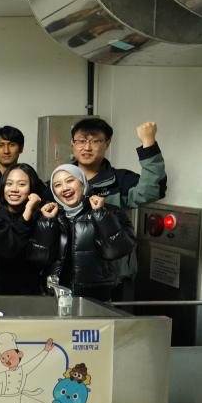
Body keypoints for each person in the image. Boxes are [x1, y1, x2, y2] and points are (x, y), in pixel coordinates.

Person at [69, 118, 166, 299]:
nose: (87, 147)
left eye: (95, 141)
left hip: (114, 277)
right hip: (69, 276)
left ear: (107, 143)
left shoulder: (120, 180)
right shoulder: (59, 181)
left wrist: (149, 144)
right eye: (81, 141)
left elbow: (152, 191)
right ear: (72, 144)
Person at [30, 164, 136, 301]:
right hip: (55, 297)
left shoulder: (110, 211)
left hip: (96, 298)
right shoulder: (50, 215)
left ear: (82, 182)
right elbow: (40, 259)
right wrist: (47, 222)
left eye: (70, 181)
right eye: (57, 185)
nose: (65, 188)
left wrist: (100, 214)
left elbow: (116, 251)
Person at [0, 163, 46, 295]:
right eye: (9, 184)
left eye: (22, 184)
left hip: (29, 293)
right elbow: (8, 248)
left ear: (32, 187)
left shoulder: (40, 217)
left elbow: (18, 249)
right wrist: (28, 211)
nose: (14, 189)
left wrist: (29, 210)